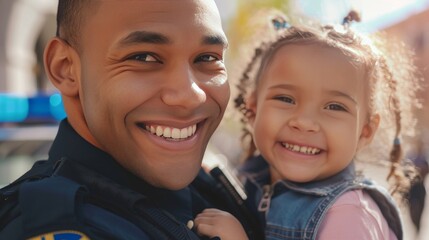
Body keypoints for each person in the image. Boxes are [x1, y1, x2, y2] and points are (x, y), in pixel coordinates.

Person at [0, 0, 263, 239]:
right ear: (65, 68)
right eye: (144, 57)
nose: (189, 95)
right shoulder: (59, 224)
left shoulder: (209, 187)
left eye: (207, 58)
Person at [194, 10, 420, 240]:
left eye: (334, 107)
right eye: (285, 99)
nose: (304, 122)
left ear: (365, 131)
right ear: (252, 109)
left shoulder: (349, 214)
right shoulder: (255, 179)